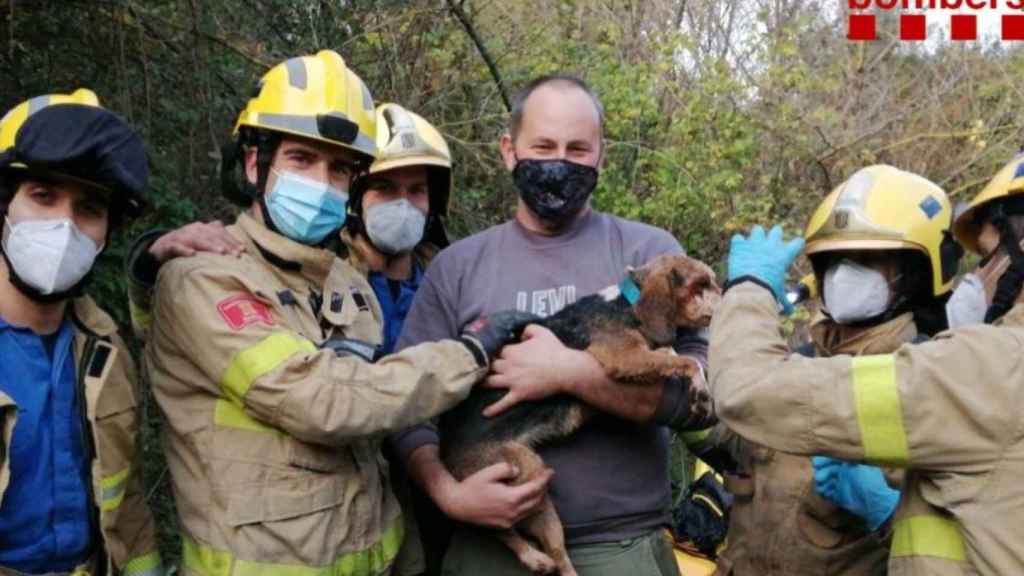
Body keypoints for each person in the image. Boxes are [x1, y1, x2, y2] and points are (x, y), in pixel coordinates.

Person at [143, 50, 529, 574]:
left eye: (341, 168)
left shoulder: (345, 283)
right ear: (256, 162)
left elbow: (372, 446)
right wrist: (470, 353)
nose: (323, 183)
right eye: (302, 159)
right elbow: (321, 400)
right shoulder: (203, 277)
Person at [391, 74, 713, 576]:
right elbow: (406, 406)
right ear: (508, 150)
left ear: (601, 154)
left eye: (577, 148)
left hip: (622, 549)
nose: (559, 162)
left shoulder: (649, 257)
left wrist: (571, 373)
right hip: (487, 550)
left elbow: (696, 400)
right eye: (542, 146)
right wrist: (448, 494)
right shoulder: (458, 267)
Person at [709, 153, 1024, 574]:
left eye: (990, 253)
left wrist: (748, 290)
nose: (987, 270)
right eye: (834, 263)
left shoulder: (973, 369)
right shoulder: (807, 361)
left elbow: (746, 387)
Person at [0, 89, 163, 575]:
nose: (64, 226)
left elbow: (126, 504)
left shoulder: (105, 349)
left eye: (89, 208)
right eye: (43, 196)